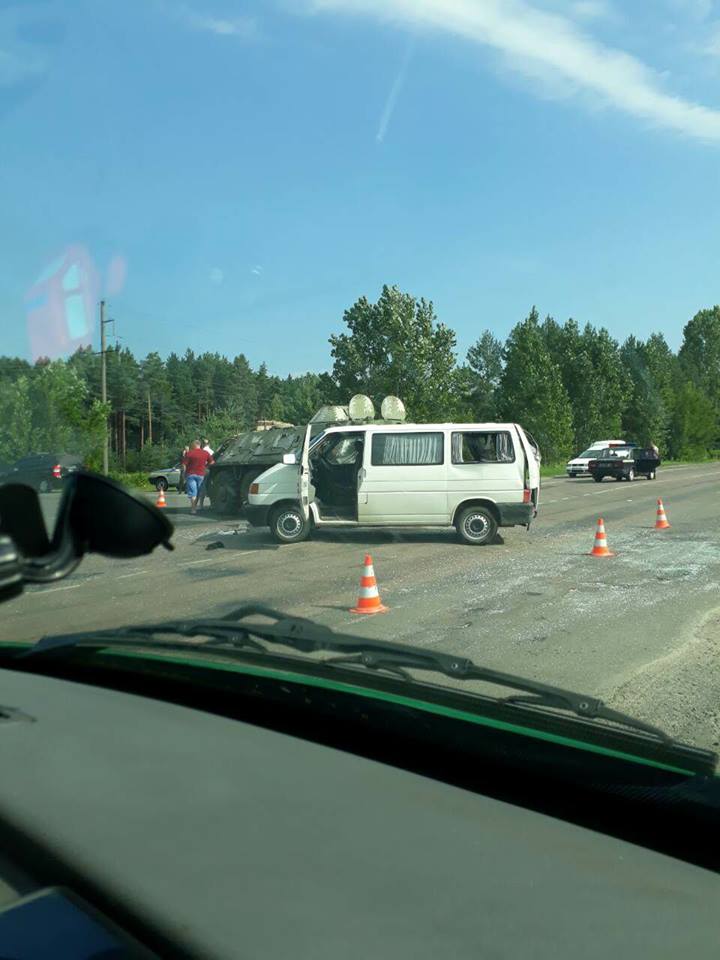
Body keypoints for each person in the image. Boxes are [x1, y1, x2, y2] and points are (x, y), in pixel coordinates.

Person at [182, 440, 214, 515]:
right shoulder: (205, 453)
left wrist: (184, 474)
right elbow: (212, 462)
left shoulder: (189, 453)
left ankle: (193, 509)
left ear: (194, 445)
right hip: (201, 475)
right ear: (200, 445)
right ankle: (199, 506)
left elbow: (184, 465)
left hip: (190, 475)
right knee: (200, 491)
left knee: (193, 492)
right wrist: (206, 467)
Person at [197, 438, 214, 509]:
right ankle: (212, 504)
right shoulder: (212, 451)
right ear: (209, 444)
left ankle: (201, 505)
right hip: (210, 469)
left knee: (202, 486)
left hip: (203, 469)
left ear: (202, 444)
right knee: (210, 486)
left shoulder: (202, 451)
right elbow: (213, 461)